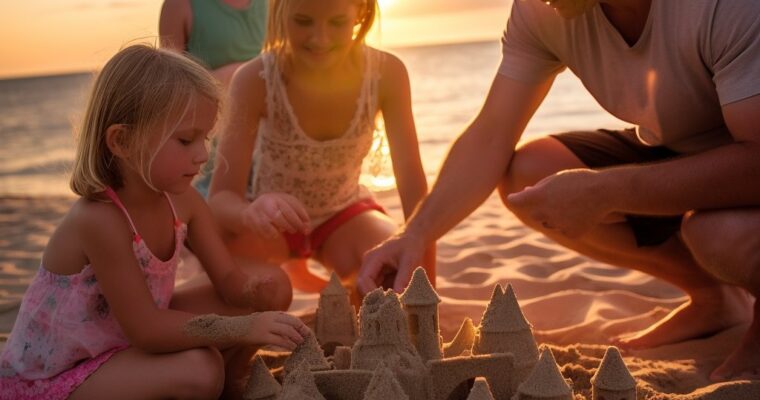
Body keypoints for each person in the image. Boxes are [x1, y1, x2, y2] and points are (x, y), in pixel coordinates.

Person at [358, 0, 760, 381]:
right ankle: (715, 300)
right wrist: (415, 232)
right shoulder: (542, 9)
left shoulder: (725, 8)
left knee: (718, 236)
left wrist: (609, 190)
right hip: (681, 144)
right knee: (531, 175)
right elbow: (492, 132)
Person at [0, 45, 308, 400]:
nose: (203, 154)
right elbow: (145, 328)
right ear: (122, 141)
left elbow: (227, 279)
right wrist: (245, 327)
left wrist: (256, 293)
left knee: (276, 285)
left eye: (205, 138)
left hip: (123, 341)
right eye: (185, 139)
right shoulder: (99, 219)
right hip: (64, 374)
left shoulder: (183, 201)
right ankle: (213, 378)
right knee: (200, 369)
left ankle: (234, 381)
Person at [208, 0, 434, 298]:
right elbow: (220, 200)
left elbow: (412, 186)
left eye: (337, 22)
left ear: (361, 13)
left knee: (389, 281)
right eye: (303, 21)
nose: (319, 39)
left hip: (343, 215)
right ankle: (293, 271)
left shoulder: (386, 73)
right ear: (279, 12)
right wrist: (249, 213)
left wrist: (426, 286)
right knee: (259, 293)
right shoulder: (255, 79)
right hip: (271, 223)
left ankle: (331, 278)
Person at [159, 0, 268, 198]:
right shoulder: (179, 5)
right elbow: (168, 92)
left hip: (267, 144)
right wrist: (237, 78)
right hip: (210, 148)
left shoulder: (276, 4)